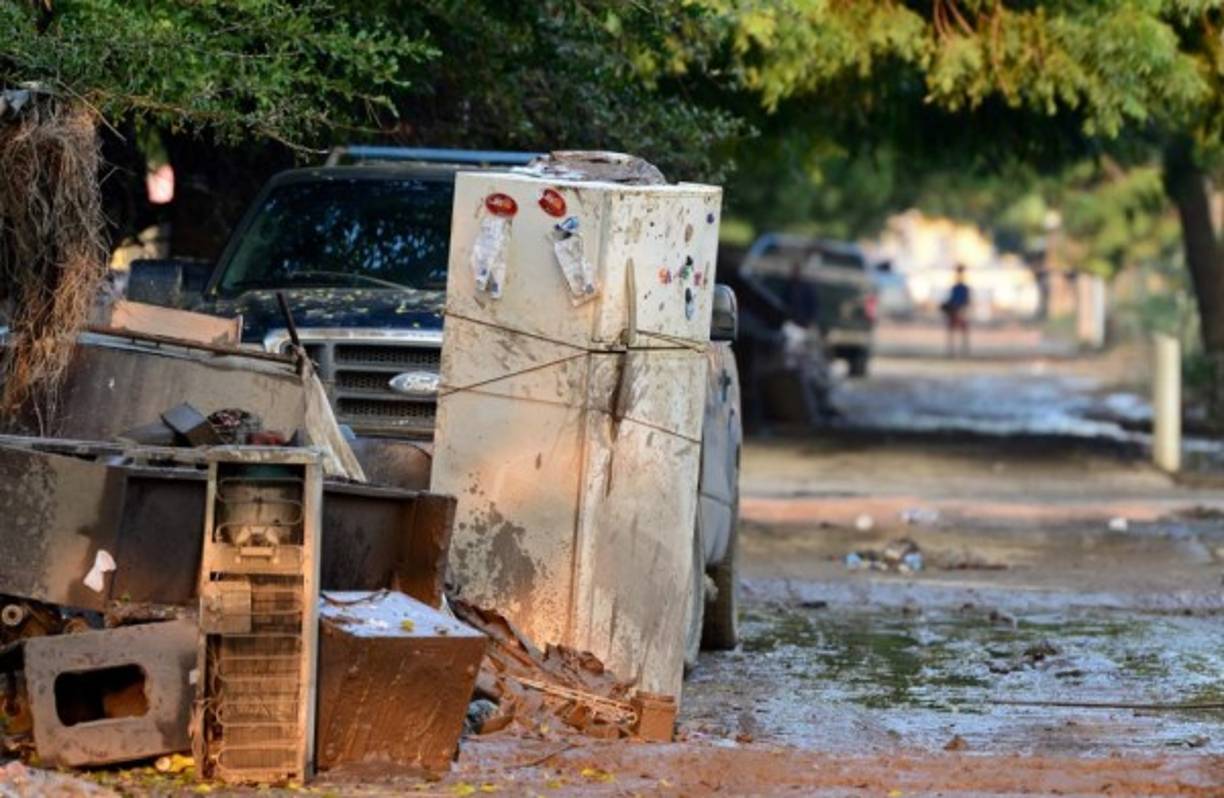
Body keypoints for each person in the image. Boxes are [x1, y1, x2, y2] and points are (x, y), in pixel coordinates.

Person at [941, 264, 971, 356]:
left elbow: (965, 301)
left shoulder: (962, 288)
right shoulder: (956, 288)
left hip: (959, 310)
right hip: (955, 310)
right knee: (954, 330)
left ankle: (961, 350)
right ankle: (954, 350)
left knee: (960, 330)